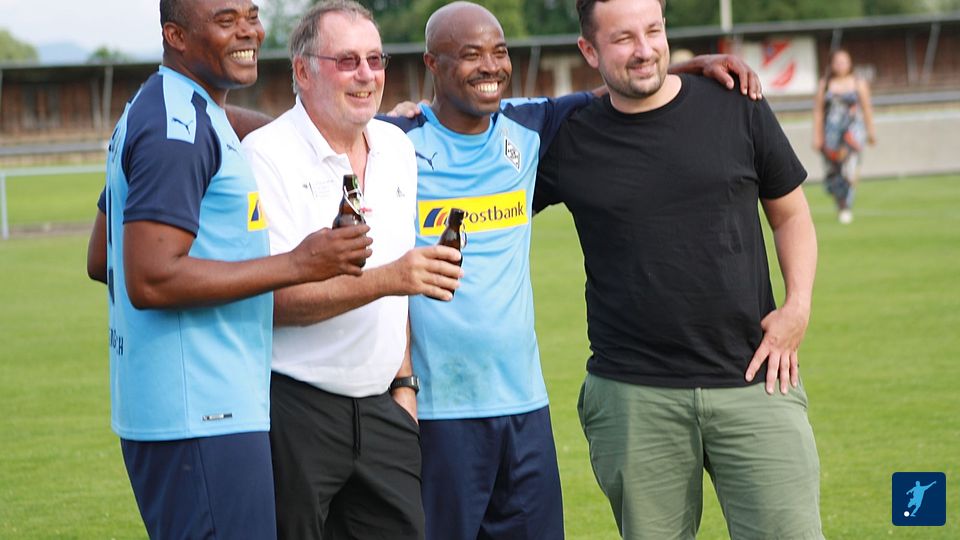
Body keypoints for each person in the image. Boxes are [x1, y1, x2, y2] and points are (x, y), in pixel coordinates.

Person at [380, 2, 763, 539]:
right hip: (438, 409)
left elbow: (615, 88)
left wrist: (692, 65)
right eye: (470, 55)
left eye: (499, 52)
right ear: (432, 64)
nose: (490, 66)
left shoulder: (529, 126)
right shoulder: (394, 142)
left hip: (525, 406)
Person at [84, 0, 373, 538]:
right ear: (176, 36)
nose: (248, 31)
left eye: (251, 15)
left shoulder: (172, 107)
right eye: (225, 20)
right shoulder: (177, 128)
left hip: (184, 412)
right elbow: (148, 278)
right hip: (202, 415)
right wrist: (300, 263)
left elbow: (103, 257)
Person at [534, 0, 821, 538]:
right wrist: (414, 116)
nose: (644, 50)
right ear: (589, 50)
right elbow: (484, 173)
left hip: (756, 380)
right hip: (633, 396)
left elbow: (791, 216)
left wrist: (797, 307)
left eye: (654, 31)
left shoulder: (736, 103)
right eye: (623, 38)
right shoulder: (568, 139)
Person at [239, 2, 462, 539]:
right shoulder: (263, 156)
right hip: (296, 410)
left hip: (384, 409)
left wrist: (405, 388)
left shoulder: (397, 148)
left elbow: (399, 298)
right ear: (302, 71)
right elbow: (271, 302)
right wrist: (391, 278)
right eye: (347, 61)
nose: (366, 75)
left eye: (375, 59)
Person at [812, 48, 876, 224]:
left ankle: (847, 204)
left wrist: (871, 131)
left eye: (844, 61)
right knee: (834, 171)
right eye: (837, 62)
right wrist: (817, 136)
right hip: (831, 134)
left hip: (852, 133)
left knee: (850, 168)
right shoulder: (825, 84)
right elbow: (818, 111)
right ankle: (840, 203)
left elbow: (867, 108)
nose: (841, 65)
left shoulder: (858, 83)